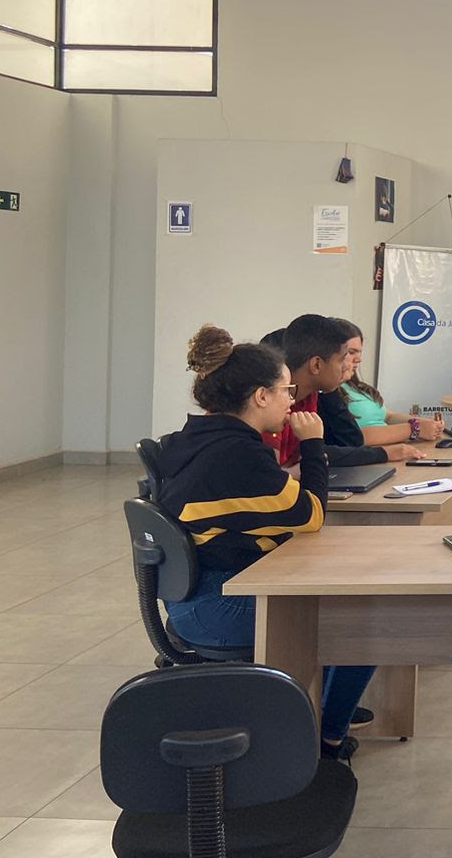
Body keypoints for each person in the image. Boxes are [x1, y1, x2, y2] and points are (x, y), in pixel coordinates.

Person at [155, 326, 375, 761]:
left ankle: (319, 710)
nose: (291, 400)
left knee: (332, 597)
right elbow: (311, 515)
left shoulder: (197, 437)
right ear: (259, 397)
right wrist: (313, 444)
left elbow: (258, 509)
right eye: (283, 390)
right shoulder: (238, 451)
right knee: (361, 623)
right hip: (216, 603)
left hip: (194, 595)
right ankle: (326, 739)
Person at [265, 315, 414, 467]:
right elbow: (274, 472)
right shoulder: (274, 405)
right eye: (342, 359)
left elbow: (351, 443)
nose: (346, 366)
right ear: (316, 365)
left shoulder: (312, 395)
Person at [331, 319, 445, 448]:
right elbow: (353, 437)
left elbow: (389, 416)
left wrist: (421, 423)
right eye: (351, 353)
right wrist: (414, 429)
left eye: (359, 352)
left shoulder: (357, 388)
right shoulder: (328, 394)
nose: (358, 359)